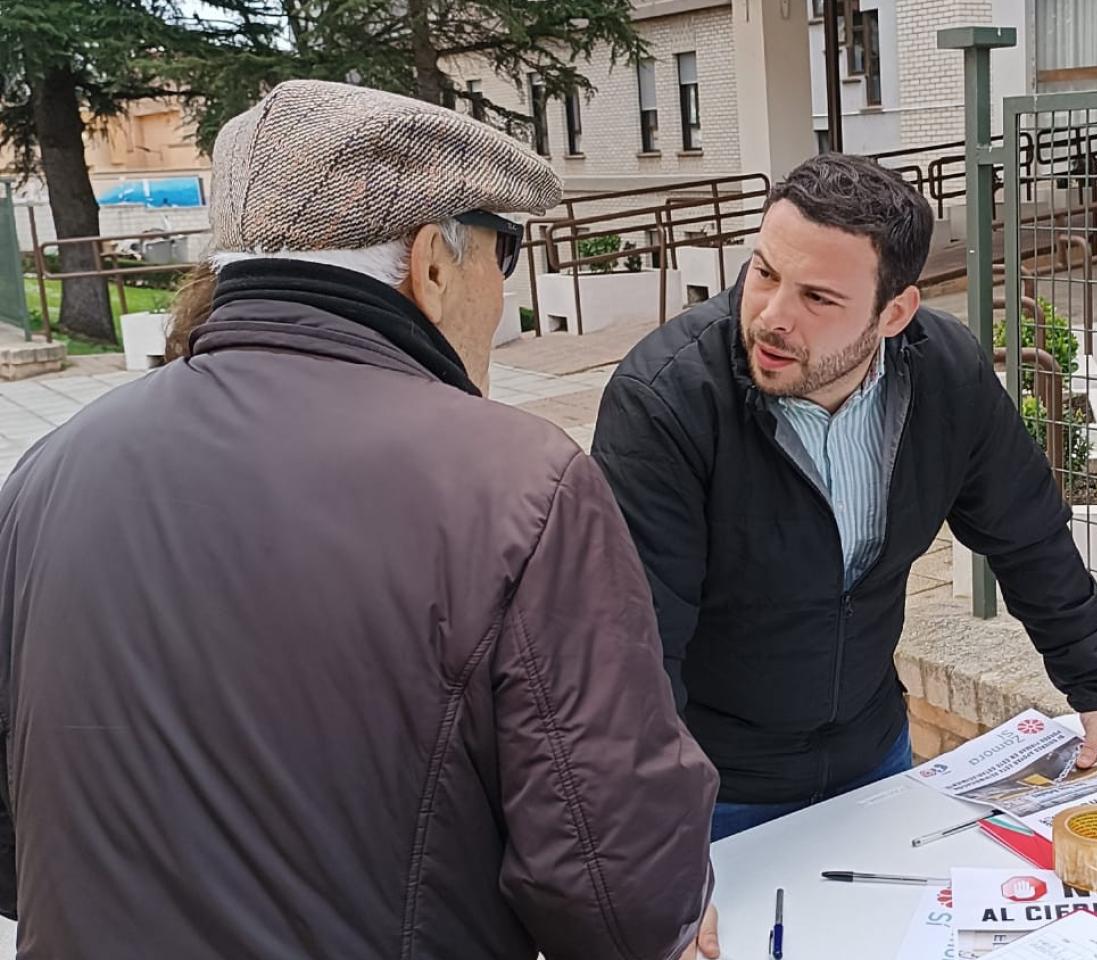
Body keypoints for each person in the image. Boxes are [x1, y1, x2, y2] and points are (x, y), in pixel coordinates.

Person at [0, 80, 720, 960]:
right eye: (506, 255)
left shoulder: (48, 471)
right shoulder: (519, 487)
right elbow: (618, 898)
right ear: (433, 260)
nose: (501, 295)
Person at [592, 153, 1097, 842]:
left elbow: (1027, 534)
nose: (770, 317)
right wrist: (655, 851)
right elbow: (636, 644)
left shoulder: (947, 375)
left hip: (875, 757)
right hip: (714, 792)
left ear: (895, 312)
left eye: (818, 298)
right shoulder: (666, 401)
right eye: (764, 273)